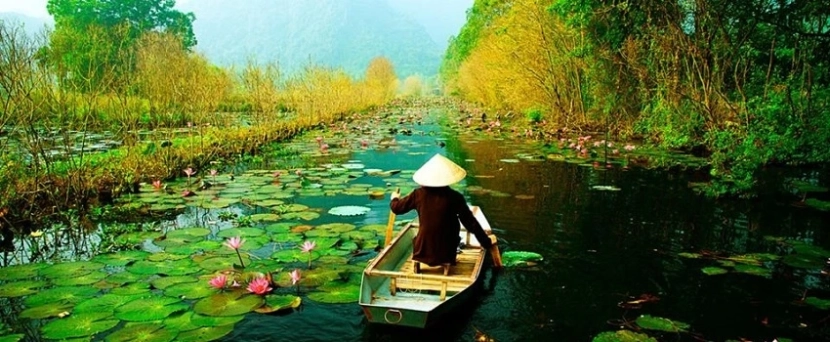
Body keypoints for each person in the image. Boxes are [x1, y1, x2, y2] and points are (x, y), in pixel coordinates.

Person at [390, 154, 493, 268]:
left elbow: (396, 208)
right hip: (446, 252)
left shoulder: (417, 195)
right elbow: (470, 223)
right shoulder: (455, 197)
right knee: (453, 228)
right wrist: (485, 241)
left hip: (422, 250)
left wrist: (394, 198)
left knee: (424, 232)